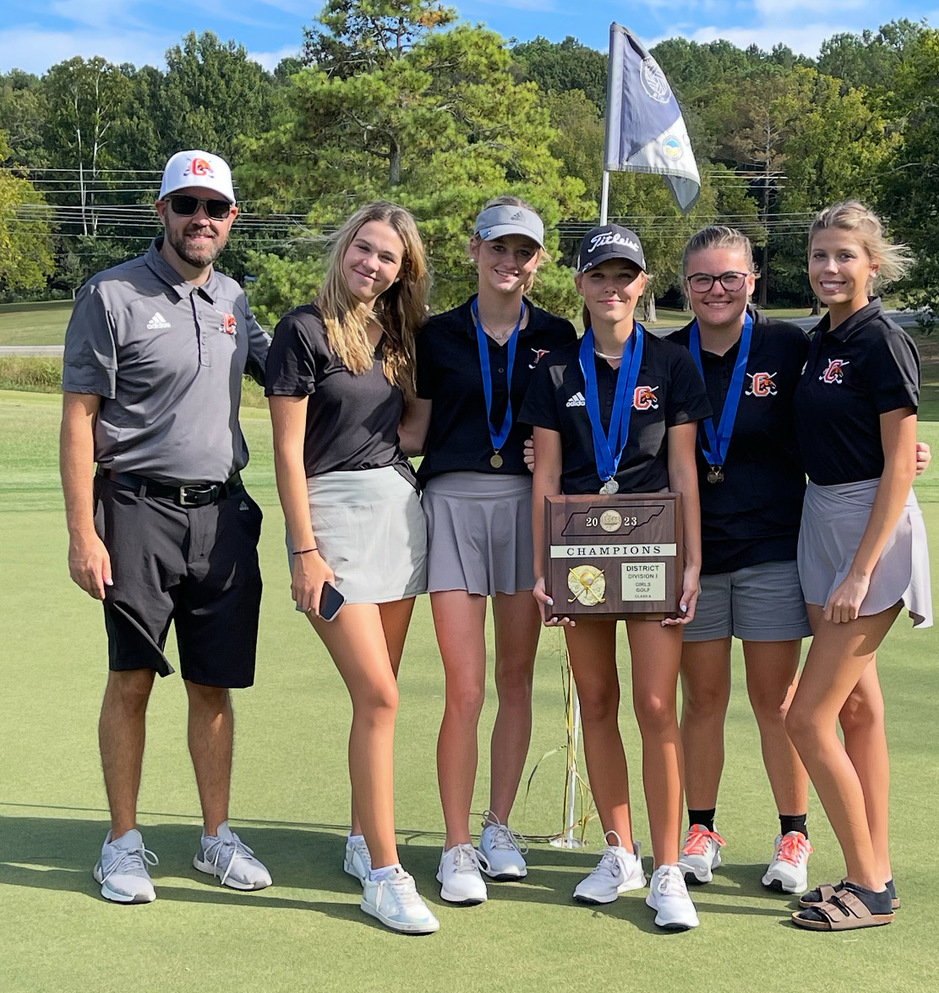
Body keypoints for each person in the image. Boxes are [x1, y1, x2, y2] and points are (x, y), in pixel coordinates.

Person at [60, 149, 272, 904]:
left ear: (231, 218)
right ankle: (121, 843)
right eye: (186, 205)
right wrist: (83, 533)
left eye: (214, 208)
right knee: (132, 678)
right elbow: (79, 419)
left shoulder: (235, 299)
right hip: (135, 511)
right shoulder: (110, 293)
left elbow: (297, 374)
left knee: (214, 685)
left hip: (222, 515)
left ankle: (215, 839)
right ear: (163, 211)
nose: (200, 219)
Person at [522, 223, 710, 930]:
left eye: (624, 276)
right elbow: (544, 475)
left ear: (642, 285)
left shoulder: (671, 363)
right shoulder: (553, 370)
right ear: (579, 284)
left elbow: (683, 470)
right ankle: (619, 851)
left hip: (653, 553)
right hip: (579, 558)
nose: (611, 288)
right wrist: (541, 568)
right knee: (596, 701)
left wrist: (692, 562)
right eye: (599, 276)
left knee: (656, 706)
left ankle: (667, 869)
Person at [265, 202, 439, 935]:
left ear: (403, 272)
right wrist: (303, 550)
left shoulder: (398, 337)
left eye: (387, 257)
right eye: (363, 248)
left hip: (397, 520)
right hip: (330, 525)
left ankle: (362, 841)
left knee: (379, 698)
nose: (371, 263)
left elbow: (412, 431)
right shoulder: (302, 330)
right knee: (379, 697)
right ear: (343, 249)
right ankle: (387, 876)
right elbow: (286, 451)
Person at [404, 198, 576, 905]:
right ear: (473, 249)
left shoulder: (558, 334)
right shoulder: (435, 334)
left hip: (528, 510)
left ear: (539, 261)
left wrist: (558, 453)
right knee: (465, 686)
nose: (510, 262)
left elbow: (581, 422)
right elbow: (413, 431)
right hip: (451, 506)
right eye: (498, 247)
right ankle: (455, 845)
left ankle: (498, 827)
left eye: (523, 251)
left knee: (515, 678)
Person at [786, 201, 932, 931]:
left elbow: (899, 463)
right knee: (854, 709)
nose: (830, 268)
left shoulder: (881, 340)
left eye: (845, 255)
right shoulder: (819, 339)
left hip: (866, 533)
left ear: (872, 264)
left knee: (806, 718)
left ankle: (866, 886)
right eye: (820, 255)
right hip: (821, 517)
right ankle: (878, 869)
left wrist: (860, 572)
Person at [666, 227, 817, 893]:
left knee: (774, 701)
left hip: (772, 547)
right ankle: (701, 831)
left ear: (752, 280)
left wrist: (901, 452)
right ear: (685, 286)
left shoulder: (787, 346)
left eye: (729, 276)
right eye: (702, 278)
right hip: (694, 558)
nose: (716, 289)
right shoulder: (666, 354)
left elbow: (834, 419)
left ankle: (793, 835)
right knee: (701, 699)